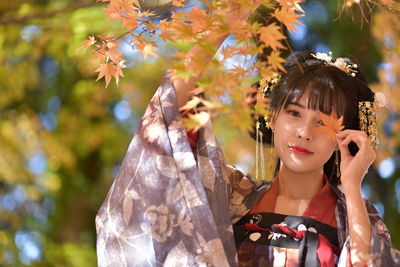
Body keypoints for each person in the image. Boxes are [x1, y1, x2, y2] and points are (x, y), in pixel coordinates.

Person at [95, 3, 400, 267]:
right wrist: (218, 32)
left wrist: (351, 184)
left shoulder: (357, 214)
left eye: (322, 123)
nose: (304, 132)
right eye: (294, 113)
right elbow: (168, 120)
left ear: (342, 136)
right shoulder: (231, 194)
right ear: (273, 117)